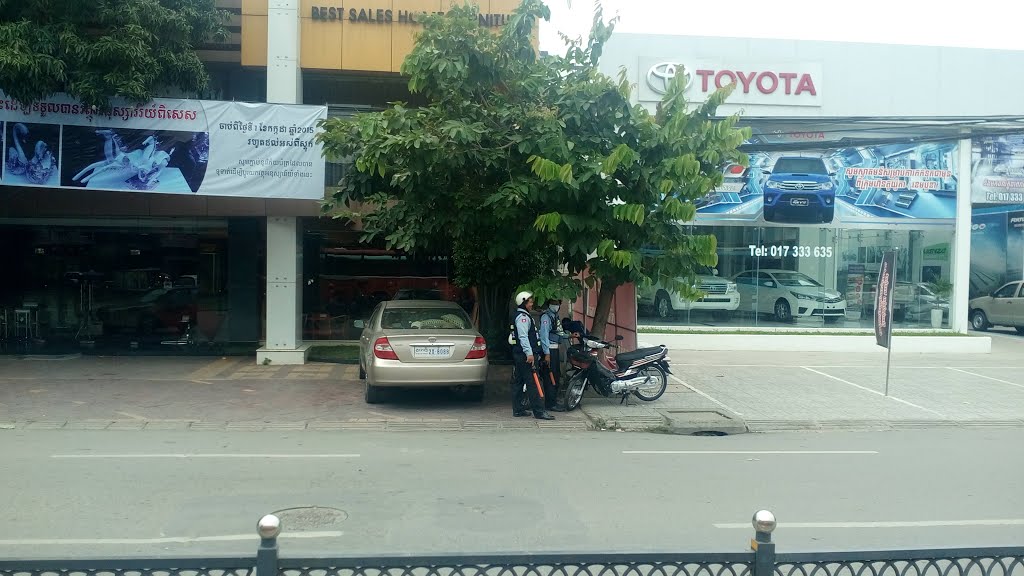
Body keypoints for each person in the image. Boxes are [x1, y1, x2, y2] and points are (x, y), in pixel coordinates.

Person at [510, 291, 554, 420]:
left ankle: (518, 409)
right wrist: (529, 354)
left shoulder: (521, 315)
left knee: (518, 382)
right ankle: (539, 412)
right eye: (529, 302)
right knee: (533, 383)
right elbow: (523, 337)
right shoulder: (523, 317)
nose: (532, 304)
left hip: (519, 354)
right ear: (523, 303)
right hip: (526, 356)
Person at [538, 298, 565, 412]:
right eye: (553, 303)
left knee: (556, 376)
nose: (556, 305)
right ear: (548, 304)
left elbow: (559, 332)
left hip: (555, 350)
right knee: (550, 377)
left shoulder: (555, 316)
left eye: (558, 303)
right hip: (549, 351)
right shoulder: (546, 317)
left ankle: (553, 401)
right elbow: (544, 336)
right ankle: (550, 404)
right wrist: (547, 353)